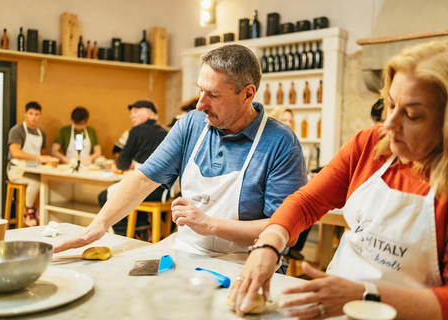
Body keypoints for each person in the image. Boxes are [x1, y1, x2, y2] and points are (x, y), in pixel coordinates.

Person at [229, 40, 448, 319]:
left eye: (412, 115)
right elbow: (307, 202)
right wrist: (268, 244)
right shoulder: (369, 145)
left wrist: (363, 295)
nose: (389, 124)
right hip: (331, 309)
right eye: (390, 105)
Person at [54, 44, 308, 272]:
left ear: (248, 94)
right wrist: (97, 226)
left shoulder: (281, 143)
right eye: (200, 90)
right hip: (185, 253)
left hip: (249, 264)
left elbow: (288, 232)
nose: (200, 104)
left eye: (214, 95)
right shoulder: (191, 125)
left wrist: (210, 225)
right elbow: (143, 179)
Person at [97, 100, 168, 237]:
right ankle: (142, 230)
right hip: (165, 191)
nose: (131, 116)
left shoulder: (136, 131)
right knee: (133, 197)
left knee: (105, 196)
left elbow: (122, 164)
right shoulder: (167, 131)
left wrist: (117, 166)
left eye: (135, 112)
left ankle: (124, 235)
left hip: (148, 187)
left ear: (148, 112)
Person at [269, 106, 310, 262]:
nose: (288, 124)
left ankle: (295, 247)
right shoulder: (272, 147)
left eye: (291, 121)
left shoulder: (292, 145)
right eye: (284, 120)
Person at [7, 102, 57, 226]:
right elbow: (15, 153)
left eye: (37, 114)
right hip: (17, 170)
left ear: (40, 116)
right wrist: (38, 157)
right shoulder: (17, 130)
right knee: (36, 183)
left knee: (48, 182)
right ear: (25, 114)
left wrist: (49, 161)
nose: (33, 117)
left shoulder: (42, 133)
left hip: (35, 169)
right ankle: (28, 210)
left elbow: (43, 154)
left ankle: (41, 211)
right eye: (31, 114)